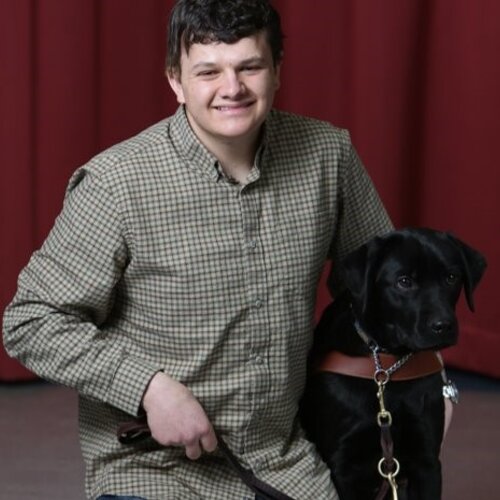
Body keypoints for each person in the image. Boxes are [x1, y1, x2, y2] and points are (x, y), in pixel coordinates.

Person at [2, 1, 394, 498]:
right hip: (152, 471)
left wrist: (432, 385)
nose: (232, 88)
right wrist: (148, 387)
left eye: (249, 66)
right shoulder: (116, 184)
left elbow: (386, 285)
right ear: (175, 80)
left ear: (276, 71)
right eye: (208, 71)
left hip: (287, 464)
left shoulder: (328, 156)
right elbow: (32, 320)